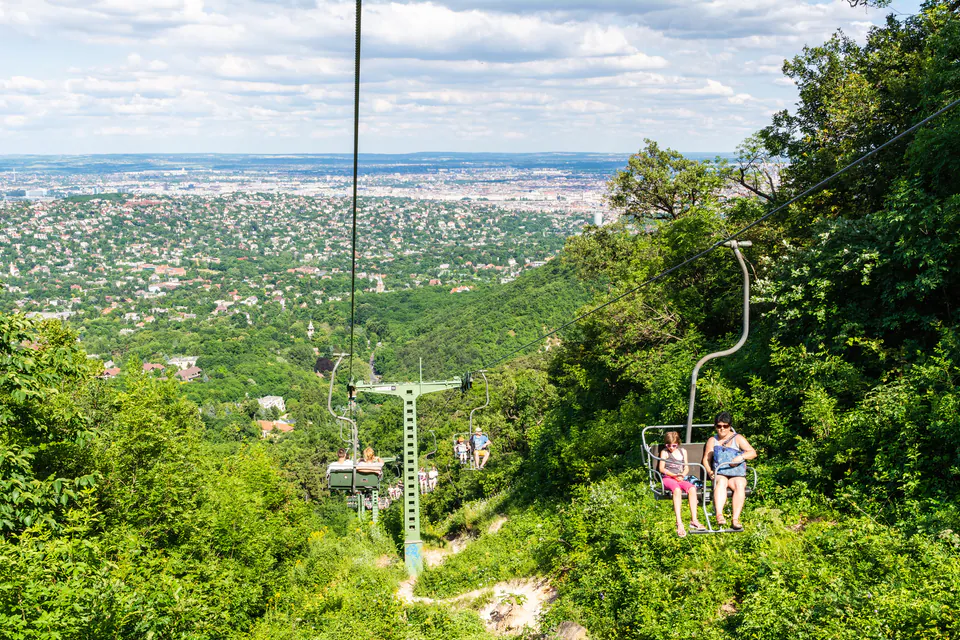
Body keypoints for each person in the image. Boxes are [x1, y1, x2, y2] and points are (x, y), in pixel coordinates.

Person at [702, 411, 756, 531]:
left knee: (739, 484)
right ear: (715, 426)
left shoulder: (738, 438)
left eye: (725, 426)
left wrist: (741, 457)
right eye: (719, 426)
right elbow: (706, 459)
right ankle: (719, 515)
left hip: (736, 473)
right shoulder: (712, 440)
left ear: (729, 426)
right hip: (720, 473)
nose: (722, 429)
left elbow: (752, 452)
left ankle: (735, 519)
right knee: (721, 482)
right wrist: (710, 471)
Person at [658, 431, 706, 537]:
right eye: (668, 445)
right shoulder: (665, 453)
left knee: (692, 489)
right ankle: (679, 522)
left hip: (680, 477)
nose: (671, 448)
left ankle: (694, 520)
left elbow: (686, 467)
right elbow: (661, 468)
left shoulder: (682, 451)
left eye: (674, 445)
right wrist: (674, 476)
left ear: (678, 443)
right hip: (668, 478)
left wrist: (682, 475)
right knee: (677, 490)